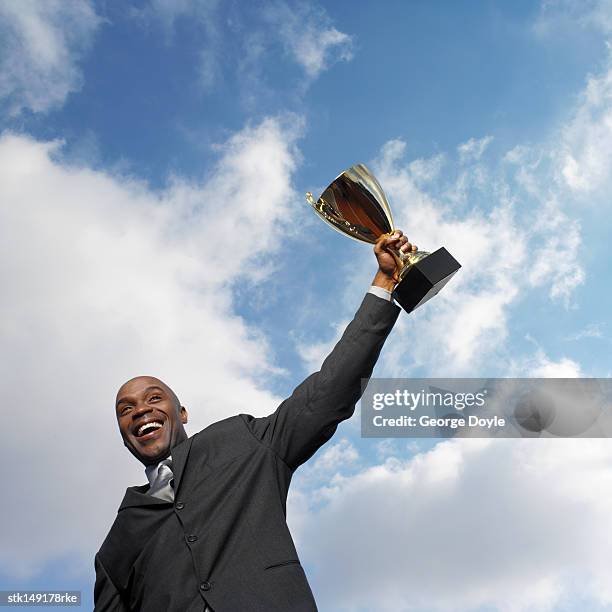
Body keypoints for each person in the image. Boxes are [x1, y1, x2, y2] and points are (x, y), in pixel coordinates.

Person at [94, 230, 416, 612]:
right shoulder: (115, 545)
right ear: (123, 435)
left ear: (182, 413)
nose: (140, 410)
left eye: (153, 398)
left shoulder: (242, 441)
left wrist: (383, 286)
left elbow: (326, 395)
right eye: (125, 409)